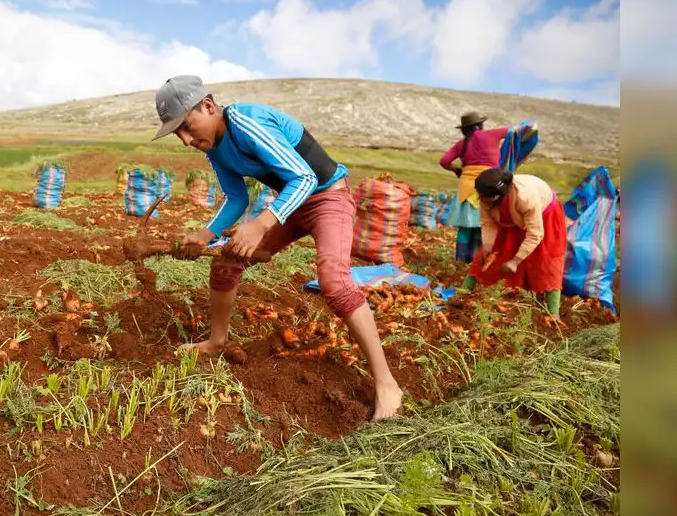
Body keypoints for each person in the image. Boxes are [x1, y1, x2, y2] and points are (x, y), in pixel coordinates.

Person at [151, 74, 404, 420]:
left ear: (208, 106)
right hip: (290, 203)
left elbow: (305, 178)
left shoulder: (244, 122)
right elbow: (237, 196)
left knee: (334, 281)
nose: (184, 140)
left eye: (186, 126)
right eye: (177, 133)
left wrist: (261, 224)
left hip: (329, 197)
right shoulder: (214, 148)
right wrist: (207, 234)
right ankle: (216, 341)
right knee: (226, 263)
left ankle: (387, 384)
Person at [460, 168, 567, 317]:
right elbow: (488, 224)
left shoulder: (526, 198)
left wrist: (515, 261)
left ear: (496, 196)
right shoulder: (485, 197)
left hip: (544, 216)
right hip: (511, 216)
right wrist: (487, 247)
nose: (480, 199)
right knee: (485, 257)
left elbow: (535, 234)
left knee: (546, 260)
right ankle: (462, 294)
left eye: (483, 197)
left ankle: (553, 314)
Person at [439, 112, 510, 263]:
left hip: (467, 187)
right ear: (480, 125)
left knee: (465, 227)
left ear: (464, 129)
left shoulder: (461, 144)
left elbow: (444, 161)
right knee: (483, 225)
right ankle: (478, 262)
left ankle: (460, 262)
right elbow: (515, 131)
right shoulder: (493, 134)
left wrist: (457, 170)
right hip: (488, 186)